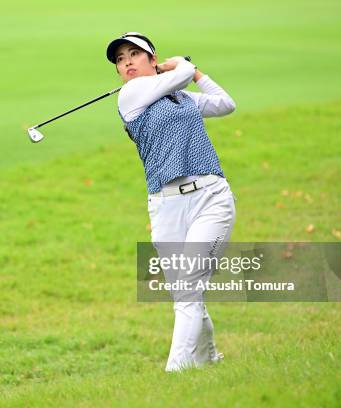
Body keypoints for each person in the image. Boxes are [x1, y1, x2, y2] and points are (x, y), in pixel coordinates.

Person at [106, 32, 237, 372]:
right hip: (165, 207)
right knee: (185, 294)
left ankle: (174, 374)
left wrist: (195, 75)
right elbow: (179, 72)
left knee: (189, 288)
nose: (127, 62)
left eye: (135, 54)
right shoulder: (130, 95)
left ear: (152, 59)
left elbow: (225, 104)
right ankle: (209, 360)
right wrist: (181, 65)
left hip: (210, 197)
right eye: (121, 60)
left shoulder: (182, 97)